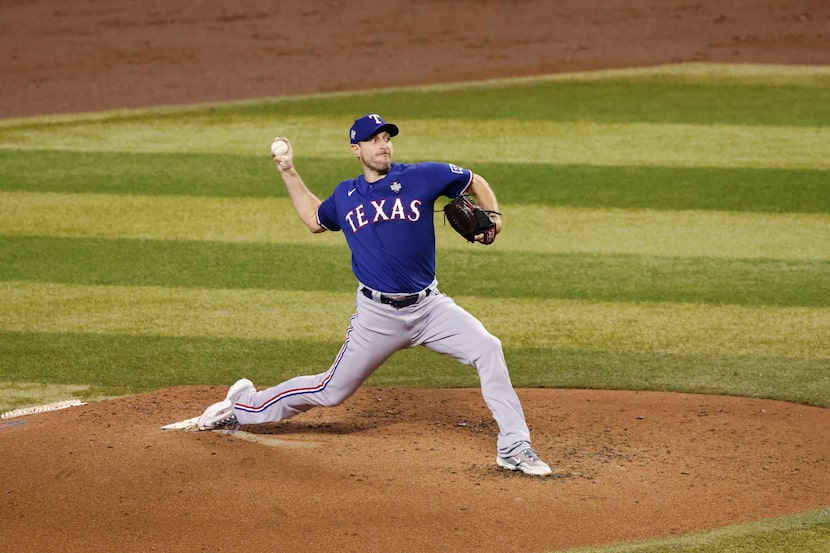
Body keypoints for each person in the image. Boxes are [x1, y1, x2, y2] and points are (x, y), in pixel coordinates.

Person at [197, 113, 552, 476]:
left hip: (430, 309)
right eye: (374, 140)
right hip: (377, 317)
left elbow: (474, 180)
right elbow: (314, 220)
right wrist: (287, 170)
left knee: (487, 347)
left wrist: (494, 217)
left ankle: (514, 446)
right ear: (357, 149)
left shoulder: (421, 176)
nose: (383, 146)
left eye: (387, 138)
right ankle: (243, 405)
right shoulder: (345, 195)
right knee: (331, 390)